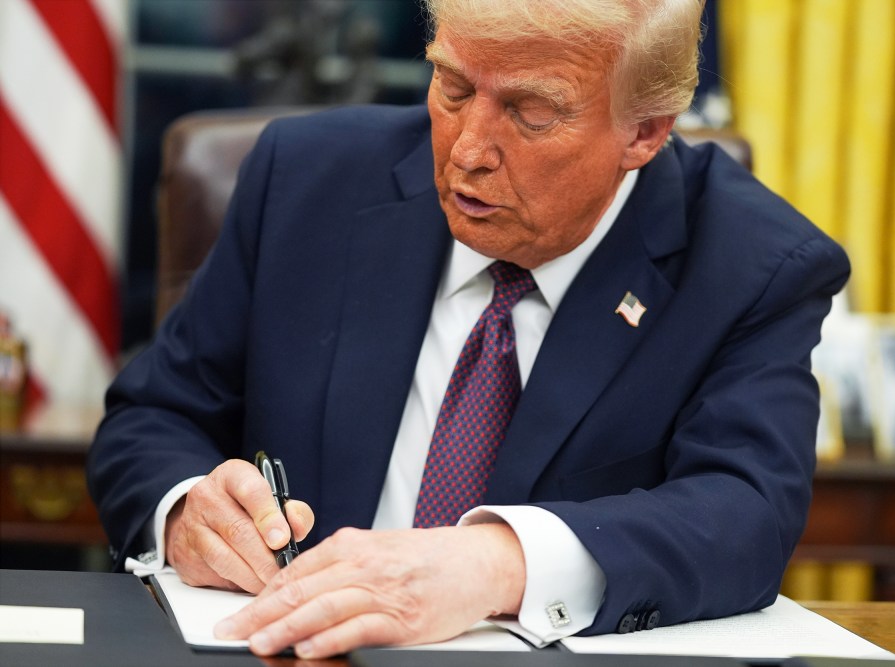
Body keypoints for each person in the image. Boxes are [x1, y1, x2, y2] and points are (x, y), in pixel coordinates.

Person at [87, 0, 850, 660]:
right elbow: (154, 417)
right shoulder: (304, 179)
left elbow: (745, 513)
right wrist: (187, 508)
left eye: (530, 112)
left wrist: (496, 561)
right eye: (452, 86)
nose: (467, 152)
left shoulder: (754, 266)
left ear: (645, 132)